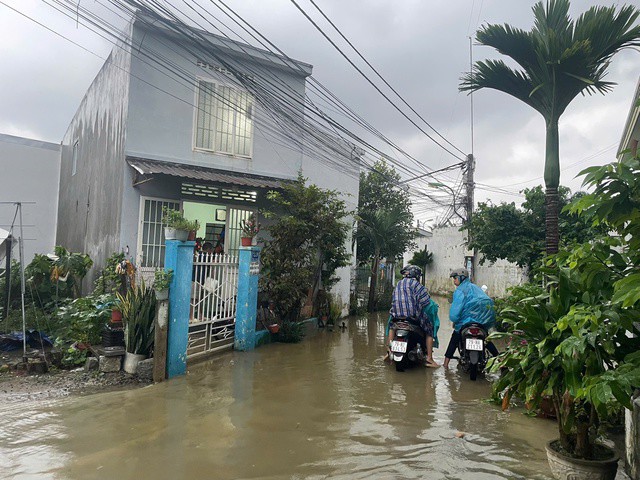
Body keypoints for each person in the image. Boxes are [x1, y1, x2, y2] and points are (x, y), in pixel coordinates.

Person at [443, 268, 499, 369]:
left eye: (455, 278)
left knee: (455, 338)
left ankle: (445, 364)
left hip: (465, 324)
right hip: (481, 323)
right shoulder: (476, 288)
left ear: (461, 278)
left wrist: (455, 320)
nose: (454, 280)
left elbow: (455, 313)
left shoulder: (460, 291)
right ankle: (501, 362)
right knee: (487, 340)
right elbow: (488, 303)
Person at [386, 264, 439, 368]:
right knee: (429, 330)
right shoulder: (417, 285)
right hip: (412, 317)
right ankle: (429, 358)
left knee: (391, 327)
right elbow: (426, 303)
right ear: (417, 275)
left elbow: (393, 299)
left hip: (397, 316)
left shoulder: (398, 284)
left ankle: (389, 351)